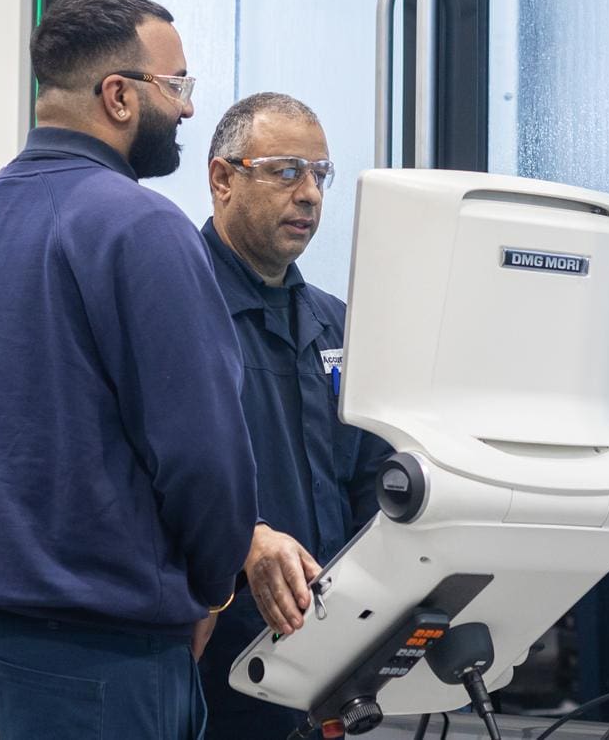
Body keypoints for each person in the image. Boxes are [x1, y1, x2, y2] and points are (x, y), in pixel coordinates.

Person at [0, 0, 257, 740]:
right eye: (176, 85)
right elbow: (202, 452)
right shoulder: (142, 229)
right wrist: (212, 587)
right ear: (118, 95)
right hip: (97, 659)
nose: (187, 109)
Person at [194, 92, 392, 739]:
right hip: (210, 667)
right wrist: (241, 540)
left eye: (319, 175)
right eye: (285, 171)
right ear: (223, 179)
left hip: (326, 665)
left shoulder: (336, 324)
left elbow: (373, 486)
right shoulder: (178, 306)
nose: (308, 194)